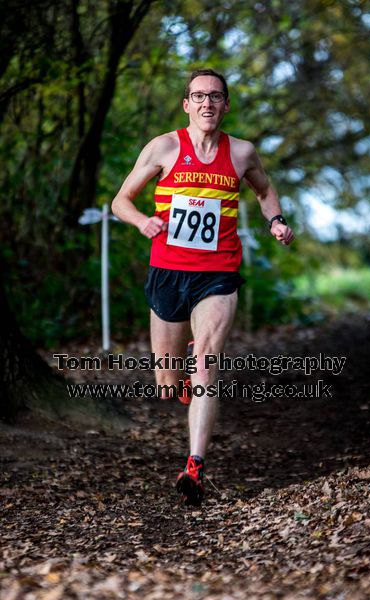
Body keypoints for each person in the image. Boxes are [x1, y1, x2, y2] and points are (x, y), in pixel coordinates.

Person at [111, 68, 295, 506]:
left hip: (218, 273)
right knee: (167, 383)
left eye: (216, 96)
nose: (207, 103)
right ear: (186, 104)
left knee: (208, 363)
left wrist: (276, 221)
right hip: (168, 273)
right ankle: (183, 372)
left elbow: (265, 192)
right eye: (199, 96)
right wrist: (142, 221)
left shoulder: (243, 152)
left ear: (226, 105)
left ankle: (195, 465)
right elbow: (121, 200)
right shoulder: (164, 146)